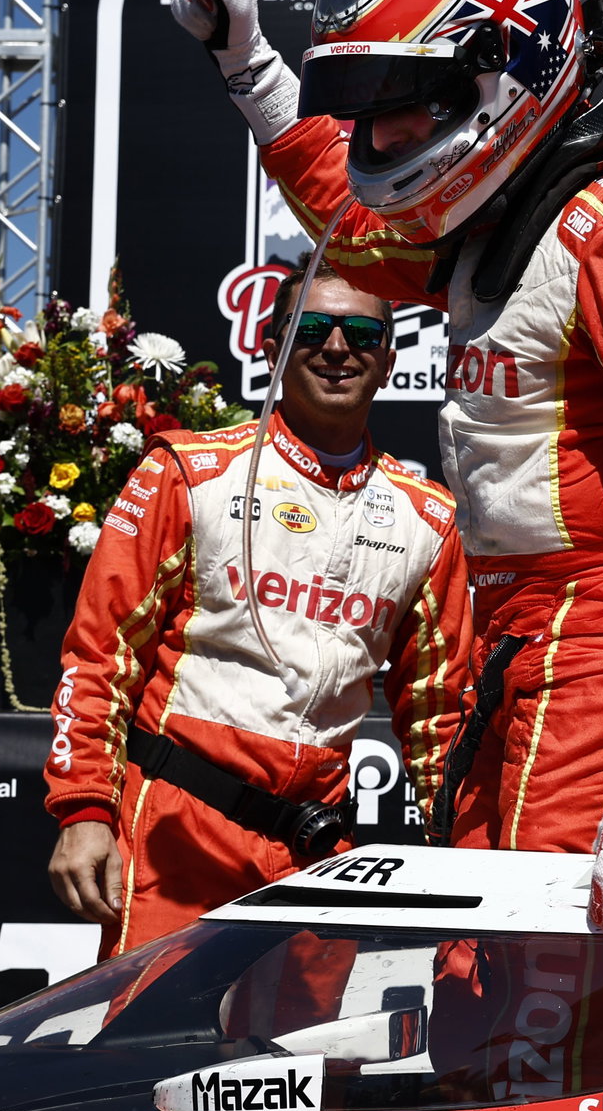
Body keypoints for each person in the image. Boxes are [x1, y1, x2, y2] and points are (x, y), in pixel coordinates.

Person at [168, 0, 603, 943]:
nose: (378, 128)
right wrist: (248, 61)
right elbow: (344, 200)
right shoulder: (493, 224)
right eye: (367, 101)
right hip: (515, 641)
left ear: (504, 70)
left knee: (547, 994)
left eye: (403, 100)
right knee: (484, 967)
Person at [44, 265, 472, 956]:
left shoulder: (428, 519)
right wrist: (85, 808)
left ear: (390, 357)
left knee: (301, 1063)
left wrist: (461, 848)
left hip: (318, 846)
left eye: (362, 331)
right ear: (272, 348)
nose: (338, 347)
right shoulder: (188, 472)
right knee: (148, 1058)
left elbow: (440, 715)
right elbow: (100, 657)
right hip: (178, 830)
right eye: (312, 329)